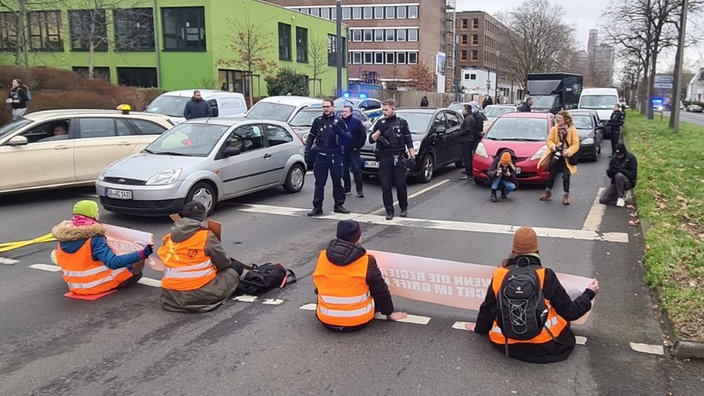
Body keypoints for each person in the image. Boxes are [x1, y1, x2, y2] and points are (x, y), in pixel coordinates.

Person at [475, 227, 599, 363]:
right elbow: (571, 312)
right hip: (546, 344)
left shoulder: (499, 274)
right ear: (536, 248)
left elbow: (487, 309)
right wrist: (589, 293)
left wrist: (479, 329)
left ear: (514, 248)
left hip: (506, 343)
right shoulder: (545, 275)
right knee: (559, 315)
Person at [312, 220, 407, 332]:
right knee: (372, 285)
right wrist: (389, 313)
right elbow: (380, 291)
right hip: (358, 320)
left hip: (326, 319)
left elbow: (319, 287)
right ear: (358, 237)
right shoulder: (366, 260)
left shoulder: (323, 256)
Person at [157, 201, 245, 313]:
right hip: (198, 294)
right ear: (204, 217)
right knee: (236, 268)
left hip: (170, 296)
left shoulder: (168, 238)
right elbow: (223, 264)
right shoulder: (205, 236)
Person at [51, 200, 151, 295]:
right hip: (95, 286)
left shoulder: (64, 237)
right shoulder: (94, 238)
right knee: (134, 265)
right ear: (92, 213)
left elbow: (57, 258)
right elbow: (113, 262)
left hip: (74, 286)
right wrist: (142, 254)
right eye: (97, 210)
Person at [369, 99, 416, 220]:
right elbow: (372, 139)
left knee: (400, 185)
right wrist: (380, 129)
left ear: (393, 109)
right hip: (385, 157)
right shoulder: (380, 122)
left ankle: (403, 207)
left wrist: (412, 156)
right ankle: (389, 210)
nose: (384, 112)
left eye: (386, 110)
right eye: (382, 110)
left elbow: (408, 140)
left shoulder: (402, 122)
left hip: (398, 156)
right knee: (386, 186)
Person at [305, 98, 350, 216]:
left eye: (328, 106)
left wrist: (340, 133)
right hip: (321, 155)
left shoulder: (339, 121)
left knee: (337, 181)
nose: (325, 109)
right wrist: (307, 151)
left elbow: (348, 138)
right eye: (324, 106)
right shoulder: (318, 121)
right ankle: (317, 207)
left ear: (333, 107)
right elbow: (311, 136)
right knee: (319, 183)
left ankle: (339, 205)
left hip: (334, 155)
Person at [537, 110, 580, 205]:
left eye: (560, 118)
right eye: (557, 118)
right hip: (556, 154)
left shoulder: (572, 130)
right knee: (551, 174)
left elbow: (575, 144)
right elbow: (549, 140)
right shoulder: (554, 129)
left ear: (566, 119)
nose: (558, 120)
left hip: (566, 157)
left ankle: (566, 196)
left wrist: (568, 152)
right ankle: (548, 192)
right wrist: (554, 147)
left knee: (566, 175)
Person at [341, 105, 366, 198]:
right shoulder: (340, 122)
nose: (344, 113)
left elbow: (363, 135)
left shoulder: (356, 123)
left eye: (346, 111)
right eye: (343, 111)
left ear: (351, 112)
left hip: (353, 150)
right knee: (344, 170)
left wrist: (357, 146)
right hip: (343, 150)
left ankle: (359, 189)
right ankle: (347, 188)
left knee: (356, 169)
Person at [458, 104, 477, 180]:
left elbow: (467, 129)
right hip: (469, 139)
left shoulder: (468, 119)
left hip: (467, 140)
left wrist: (460, 132)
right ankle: (468, 170)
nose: (462, 111)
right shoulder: (470, 117)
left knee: (467, 157)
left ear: (466, 111)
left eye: (463, 110)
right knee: (468, 156)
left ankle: (469, 173)